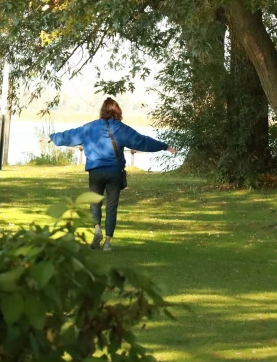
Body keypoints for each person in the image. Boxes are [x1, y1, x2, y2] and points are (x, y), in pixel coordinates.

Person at [42, 97, 177, 251]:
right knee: (112, 207)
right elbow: (142, 141)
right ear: (118, 112)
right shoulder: (121, 129)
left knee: (95, 203)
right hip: (114, 173)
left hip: (96, 172)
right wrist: (164, 146)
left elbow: (71, 135)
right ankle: (107, 242)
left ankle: (97, 229)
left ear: (102, 111)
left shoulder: (90, 127)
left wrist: (52, 138)